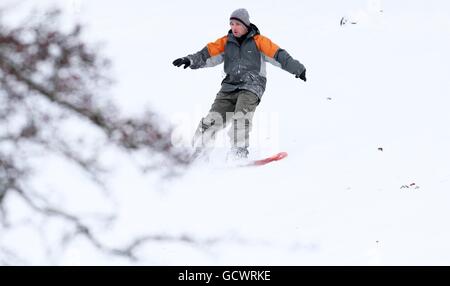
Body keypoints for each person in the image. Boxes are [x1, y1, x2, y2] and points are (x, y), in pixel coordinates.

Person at [173, 8, 306, 160]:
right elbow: (205, 55)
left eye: (237, 24)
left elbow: (280, 56)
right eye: (231, 24)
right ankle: (198, 153)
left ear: (246, 25)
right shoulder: (225, 42)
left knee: (240, 118)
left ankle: (238, 153)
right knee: (211, 120)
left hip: (252, 85)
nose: (234, 27)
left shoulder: (259, 42)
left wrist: (298, 69)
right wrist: (189, 60)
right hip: (229, 86)